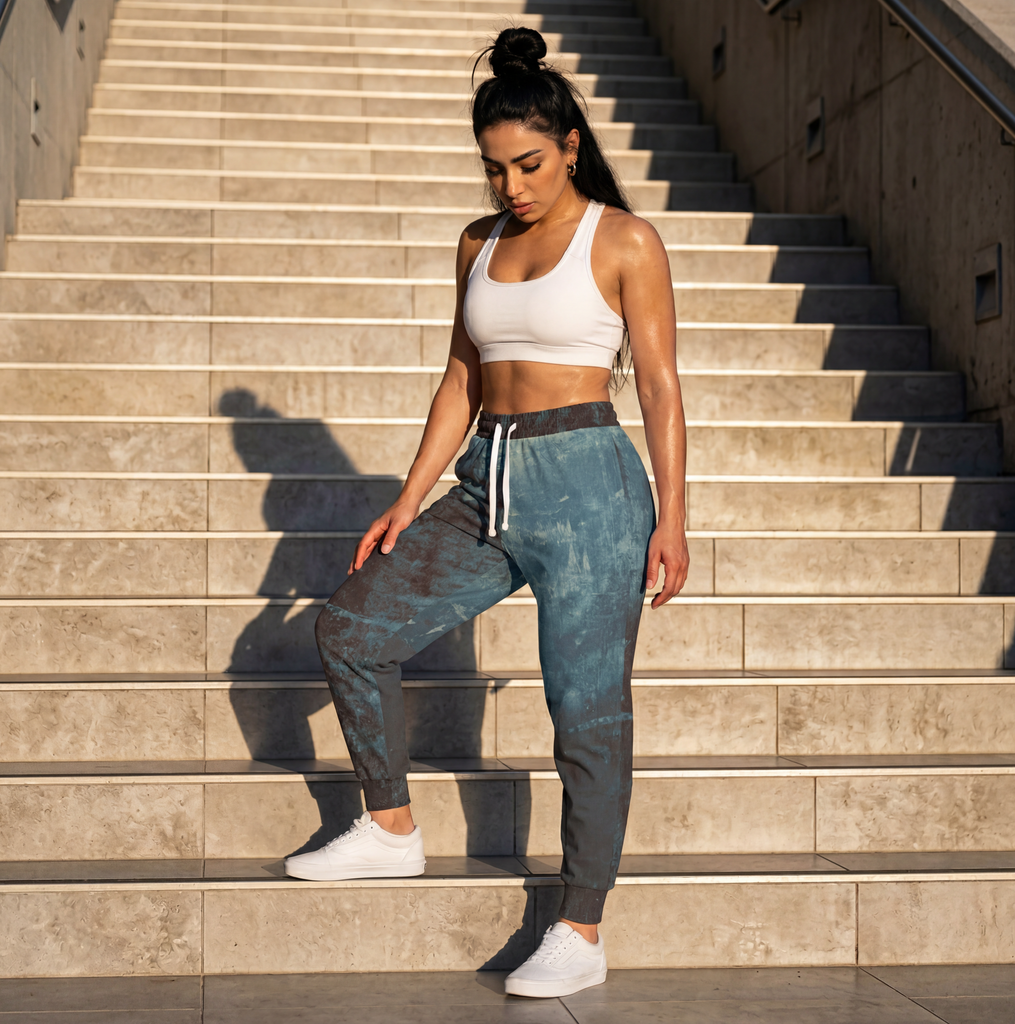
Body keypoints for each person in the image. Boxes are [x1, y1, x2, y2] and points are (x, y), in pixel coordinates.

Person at [285, 25, 689, 999]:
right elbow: (460, 380)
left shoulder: (622, 239)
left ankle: (580, 924)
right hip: (486, 482)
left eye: (529, 163)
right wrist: (407, 497)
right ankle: (389, 827)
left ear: (570, 148)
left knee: (584, 713)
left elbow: (662, 387)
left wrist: (671, 517)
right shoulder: (477, 244)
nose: (511, 184)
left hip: (591, 484)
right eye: (495, 167)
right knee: (349, 627)